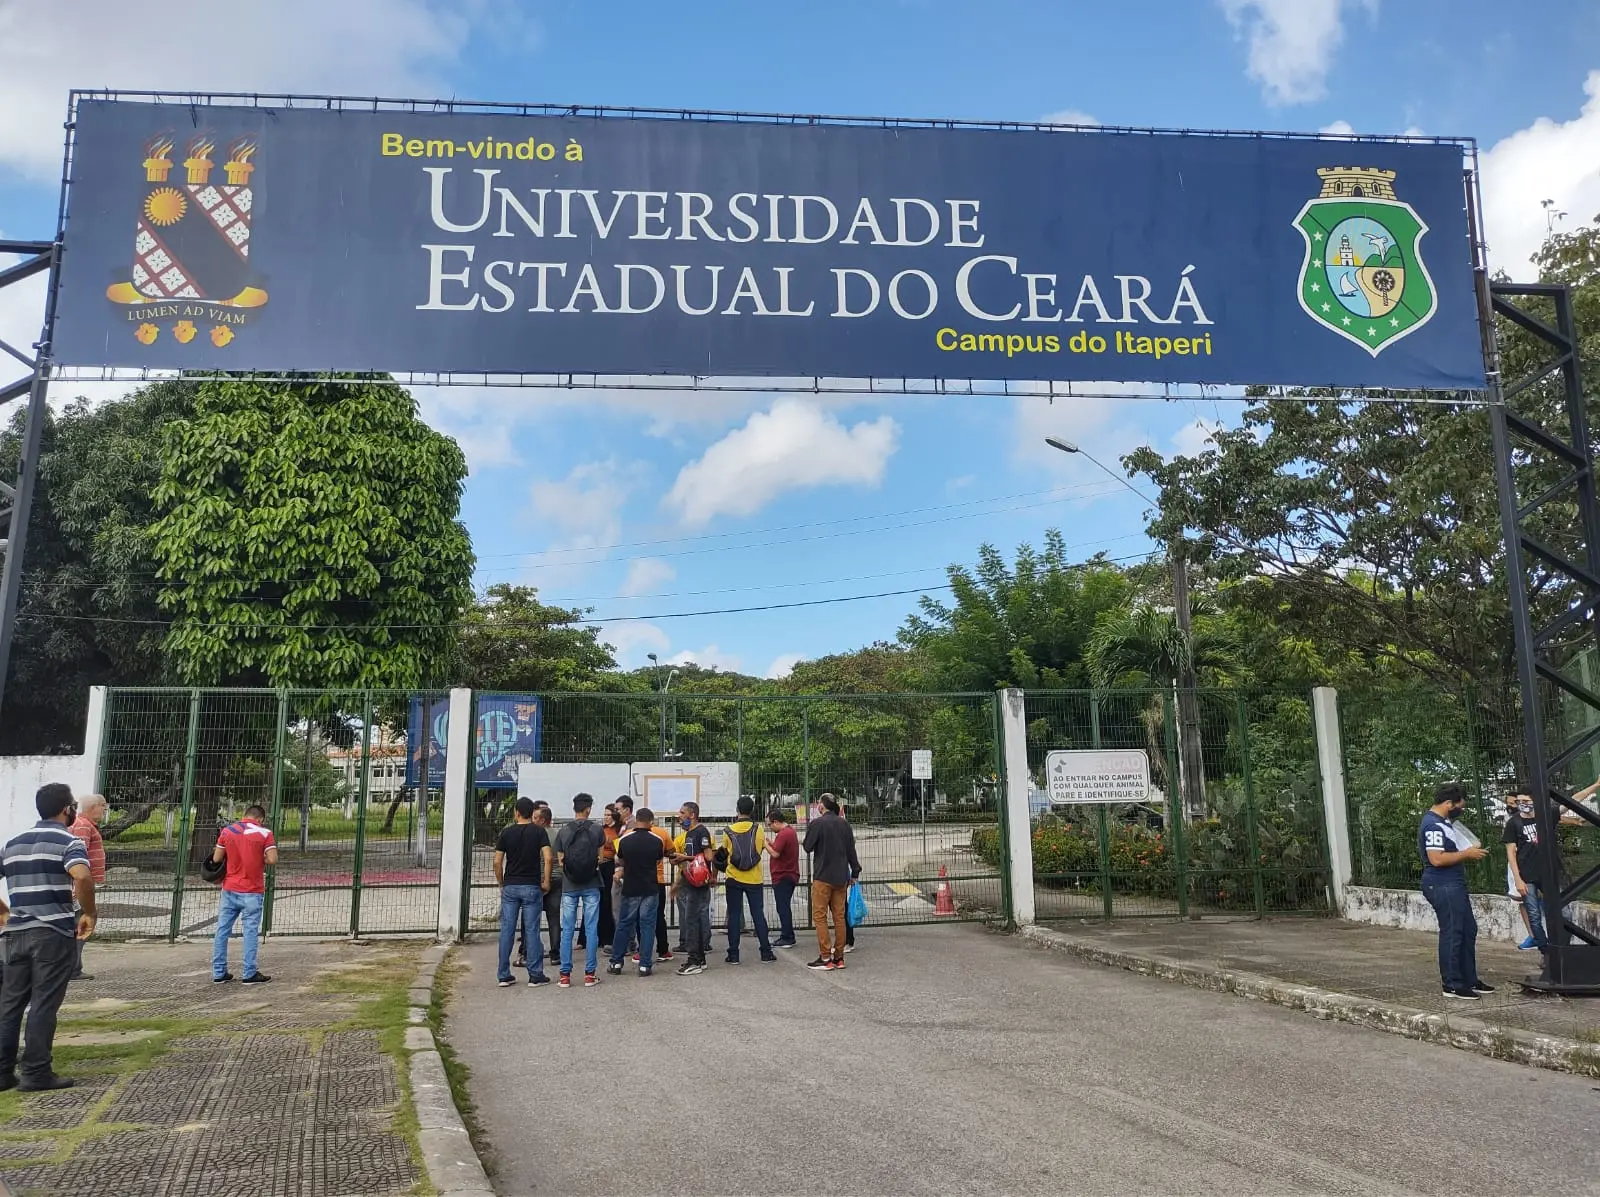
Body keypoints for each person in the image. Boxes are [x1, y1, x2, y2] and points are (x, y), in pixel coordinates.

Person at [0, 783, 97, 1091]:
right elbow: (81, 875)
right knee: (44, 1003)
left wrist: (4, 912)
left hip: (15, 934)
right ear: (67, 810)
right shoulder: (69, 841)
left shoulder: (13, 843)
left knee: (10, 1004)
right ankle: (36, 1071)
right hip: (53, 932)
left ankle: (2, 1072)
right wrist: (88, 912)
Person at [1420, 782, 1492, 1001]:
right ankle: (1452, 983)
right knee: (1453, 932)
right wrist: (1467, 855)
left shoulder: (1445, 822)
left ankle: (1469, 978)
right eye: (1459, 805)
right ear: (1449, 803)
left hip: (1453, 883)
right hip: (1443, 883)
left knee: (1468, 929)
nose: (1461, 809)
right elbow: (1436, 858)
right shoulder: (1433, 825)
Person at [211, 803, 278, 985]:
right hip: (252, 890)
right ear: (260, 819)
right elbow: (272, 859)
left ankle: (219, 972)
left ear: (245, 815)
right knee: (249, 931)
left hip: (230, 888)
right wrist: (258, 857)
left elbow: (216, 858)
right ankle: (249, 973)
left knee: (222, 930)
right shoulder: (265, 833)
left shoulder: (227, 831)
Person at [494, 797, 552, 987]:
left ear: (516, 812)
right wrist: (545, 881)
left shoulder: (506, 833)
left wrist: (502, 883)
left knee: (507, 930)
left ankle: (503, 975)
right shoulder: (539, 832)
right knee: (532, 930)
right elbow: (548, 858)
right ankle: (535, 975)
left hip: (511, 885)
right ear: (531, 813)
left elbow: (496, 861)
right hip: (531, 886)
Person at [802, 793, 861, 970]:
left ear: (822, 806)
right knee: (839, 917)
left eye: (819, 803)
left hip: (822, 876)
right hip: (841, 877)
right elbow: (851, 850)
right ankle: (839, 957)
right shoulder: (844, 824)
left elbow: (807, 847)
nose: (817, 805)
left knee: (820, 917)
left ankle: (825, 956)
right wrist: (855, 871)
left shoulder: (817, 824)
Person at [553, 794, 606, 988]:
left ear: (574, 808)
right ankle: (590, 975)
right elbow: (600, 859)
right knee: (591, 929)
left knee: (567, 929)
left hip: (569, 886)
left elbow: (560, 861)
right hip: (592, 885)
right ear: (588, 809)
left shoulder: (564, 831)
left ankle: (565, 975)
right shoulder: (597, 829)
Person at [609, 808, 666, 977]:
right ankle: (645, 965)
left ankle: (616, 963)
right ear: (651, 821)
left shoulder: (625, 840)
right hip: (650, 887)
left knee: (624, 925)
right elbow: (658, 860)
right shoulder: (657, 840)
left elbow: (621, 859)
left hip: (630, 887)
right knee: (647, 926)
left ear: (637, 820)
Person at [721, 797, 776, 964]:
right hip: (754, 878)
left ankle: (733, 954)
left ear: (737, 810)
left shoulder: (728, 830)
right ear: (752, 810)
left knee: (734, 915)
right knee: (758, 913)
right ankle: (766, 952)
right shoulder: (758, 829)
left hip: (733, 878)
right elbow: (760, 849)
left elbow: (725, 852)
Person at [67, 794, 108, 982]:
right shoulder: (83, 826)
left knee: (80, 925)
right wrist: (78, 889)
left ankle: (73, 966)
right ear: (94, 807)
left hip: (82, 885)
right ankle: (73, 968)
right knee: (83, 924)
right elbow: (78, 857)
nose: (104, 812)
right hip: (81, 887)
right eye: (103, 808)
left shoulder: (85, 824)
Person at [672, 801, 715, 975]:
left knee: (691, 920)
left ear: (692, 815)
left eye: (683, 813)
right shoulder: (689, 833)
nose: (680, 816)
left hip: (699, 883)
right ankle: (700, 958)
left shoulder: (701, 832)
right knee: (693, 920)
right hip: (689, 881)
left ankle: (694, 960)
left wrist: (685, 857)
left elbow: (708, 855)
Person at [765, 808, 800, 948]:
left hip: (784, 875)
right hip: (789, 874)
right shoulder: (789, 831)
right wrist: (771, 843)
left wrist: (765, 845)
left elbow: (775, 854)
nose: (770, 827)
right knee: (784, 906)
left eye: (770, 825)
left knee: (783, 907)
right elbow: (780, 850)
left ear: (776, 822)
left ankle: (787, 936)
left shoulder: (784, 834)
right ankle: (787, 935)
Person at [597, 803, 621, 951]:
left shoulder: (617, 830)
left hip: (612, 865)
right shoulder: (601, 830)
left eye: (608, 815)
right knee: (599, 901)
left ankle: (609, 937)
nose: (605, 817)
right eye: (604, 815)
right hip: (601, 865)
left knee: (609, 901)